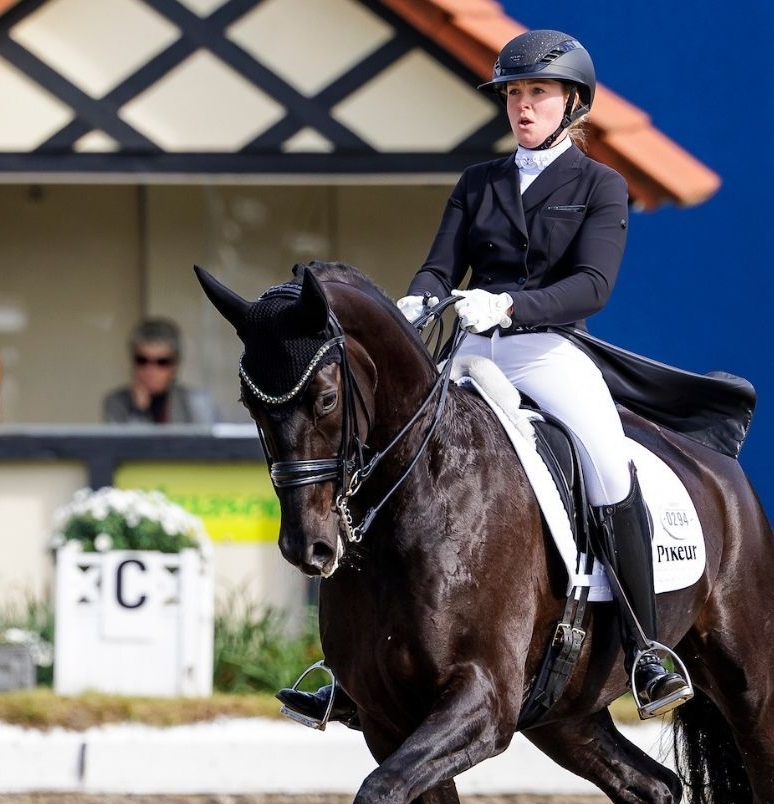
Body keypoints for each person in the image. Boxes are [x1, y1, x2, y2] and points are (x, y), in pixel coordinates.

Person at [279, 28, 691, 728]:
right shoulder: (479, 183)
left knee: (607, 467)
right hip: (471, 349)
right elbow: (442, 264)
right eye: (515, 95)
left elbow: (592, 284)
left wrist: (509, 303)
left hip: (550, 351)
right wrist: (417, 296)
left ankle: (647, 647)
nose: (523, 107)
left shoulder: (601, 186)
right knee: (383, 460)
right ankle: (347, 666)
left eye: (538, 94)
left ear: (573, 104)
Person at [101, 318, 223, 425]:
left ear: (175, 366)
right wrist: (139, 413)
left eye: (162, 362)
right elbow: (128, 450)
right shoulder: (116, 403)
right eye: (142, 360)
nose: (150, 370)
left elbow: (210, 447)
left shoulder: (197, 401)